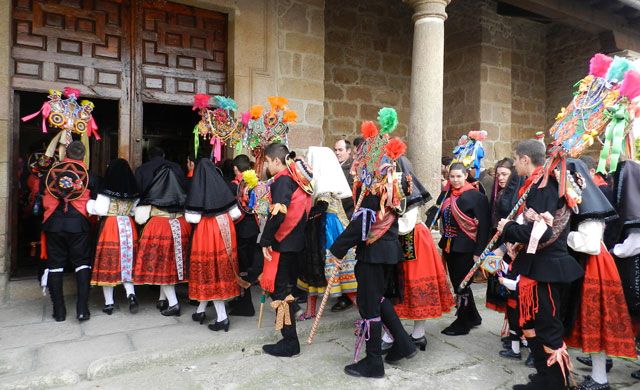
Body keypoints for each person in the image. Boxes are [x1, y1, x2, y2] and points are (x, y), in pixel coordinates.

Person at [329, 112, 417, 378]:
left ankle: (373, 362)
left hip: (375, 253)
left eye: (360, 156)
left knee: (368, 305)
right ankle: (403, 343)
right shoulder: (385, 181)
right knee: (377, 300)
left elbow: (361, 225)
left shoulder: (375, 188)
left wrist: (337, 249)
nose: (356, 160)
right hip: (387, 251)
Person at [497, 140, 584, 389]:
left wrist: (509, 229)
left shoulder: (544, 187)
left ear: (526, 159)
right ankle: (545, 375)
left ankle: (555, 383)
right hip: (537, 266)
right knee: (532, 324)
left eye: (515, 159)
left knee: (548, 327)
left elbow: (542, 233)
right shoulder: (538, 183)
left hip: (547, 268)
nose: (514, 164)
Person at [563, 158, 636, 390]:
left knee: (595, 323)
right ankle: (598, 374)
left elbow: (591, 243)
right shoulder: (582, 202)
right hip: (590, 264)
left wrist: (563, 236)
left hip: (594, 265)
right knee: (590, 323)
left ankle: (600, 379)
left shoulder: (590, 207)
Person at [390, 156, 455, 351]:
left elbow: (405, 225)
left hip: (413, 241)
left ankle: (418, 334)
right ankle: (401, 333)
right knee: (400, 286)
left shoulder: (408, 189)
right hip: (405, 240)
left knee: (416, 286)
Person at [259, 143, 313, 357]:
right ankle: (287, 336)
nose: (266, 165)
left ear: (275, 161)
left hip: (283, 243)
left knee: (280, 292)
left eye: (266, 161)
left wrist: (265, 239)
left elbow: (279, 213)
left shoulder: (282, 180)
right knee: (286, 292)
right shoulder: (296, 180)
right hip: (296, 243)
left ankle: (290, 342)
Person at [296, 147, 356, 321]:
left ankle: (368, 318)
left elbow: (324, 224)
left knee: (340, 281)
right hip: (325, 236)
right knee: (313, 274)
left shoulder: (323, 198)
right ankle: (310, 310)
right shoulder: (328, 193)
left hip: (327, 239)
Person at [185, 158, 243, 331]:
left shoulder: (198, 187)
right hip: (225, 227)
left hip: (208, 232)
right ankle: (201, 310)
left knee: (210, 272)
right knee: (219, 269)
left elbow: (192, 217)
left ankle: (222, 317)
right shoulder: (221, 185)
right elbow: (236, 213)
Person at [41, 141, 95, 322]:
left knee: (55, 265)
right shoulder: (89, 176)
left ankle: (59, 311)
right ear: (83, 155)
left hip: (53, 225)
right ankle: (82, 309)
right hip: (78, 225)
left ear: (66, 153)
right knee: (82, 263)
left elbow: (42, 193)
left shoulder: (50, 174)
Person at [438, 162, 490, 336]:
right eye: (452, 176)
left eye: (459, 176)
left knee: (462, 284)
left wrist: (479, 252)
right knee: (459, 282)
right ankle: (473, 316)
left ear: (466, 175)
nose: (455, 180)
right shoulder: (446, 194)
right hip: (450, 246)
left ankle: (463, 322)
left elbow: (484, 226)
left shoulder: (476, 197)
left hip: (467, 248)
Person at [134, 161, 191, 316]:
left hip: (160, 229)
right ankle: (162, 298)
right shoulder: (183, 192)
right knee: (171, 266)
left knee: (162, 267)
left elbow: (140, 218)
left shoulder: (153, 193)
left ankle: (173, 304)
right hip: (181, 226)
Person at [87, 158, 140, 315]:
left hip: (111, 226)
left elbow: (100, 210)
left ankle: (109, 303)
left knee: (108, 263)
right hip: (129, 227)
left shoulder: (106, 192)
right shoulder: (133, 192)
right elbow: (133, 211)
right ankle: (131, 295)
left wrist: (89, 204)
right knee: (127, 261)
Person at [227, 154, 262, 317]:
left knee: (242, 267)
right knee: (248, 264)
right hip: (253, 227)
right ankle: (242, 299)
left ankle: (246, 304)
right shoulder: (255, 182)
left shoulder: (234, 185)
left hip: (240, 228)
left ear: (235, 169)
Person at [331, 138, 357, 312]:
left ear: (349, 151)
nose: (337, 152)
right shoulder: (334, 168)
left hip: (348, 217)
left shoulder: (352, 170)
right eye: (336, 150)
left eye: (340, 150)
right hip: (335, 219)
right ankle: (343, 293)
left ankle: (350, 296)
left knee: (349, 259)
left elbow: (350, 196)